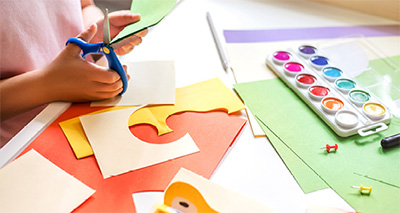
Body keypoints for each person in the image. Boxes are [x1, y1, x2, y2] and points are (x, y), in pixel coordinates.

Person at [0, 0, 147, 147]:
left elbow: (85, 5)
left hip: (87, 116)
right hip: (20, 145)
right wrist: (48, 85)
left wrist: (95, 32)